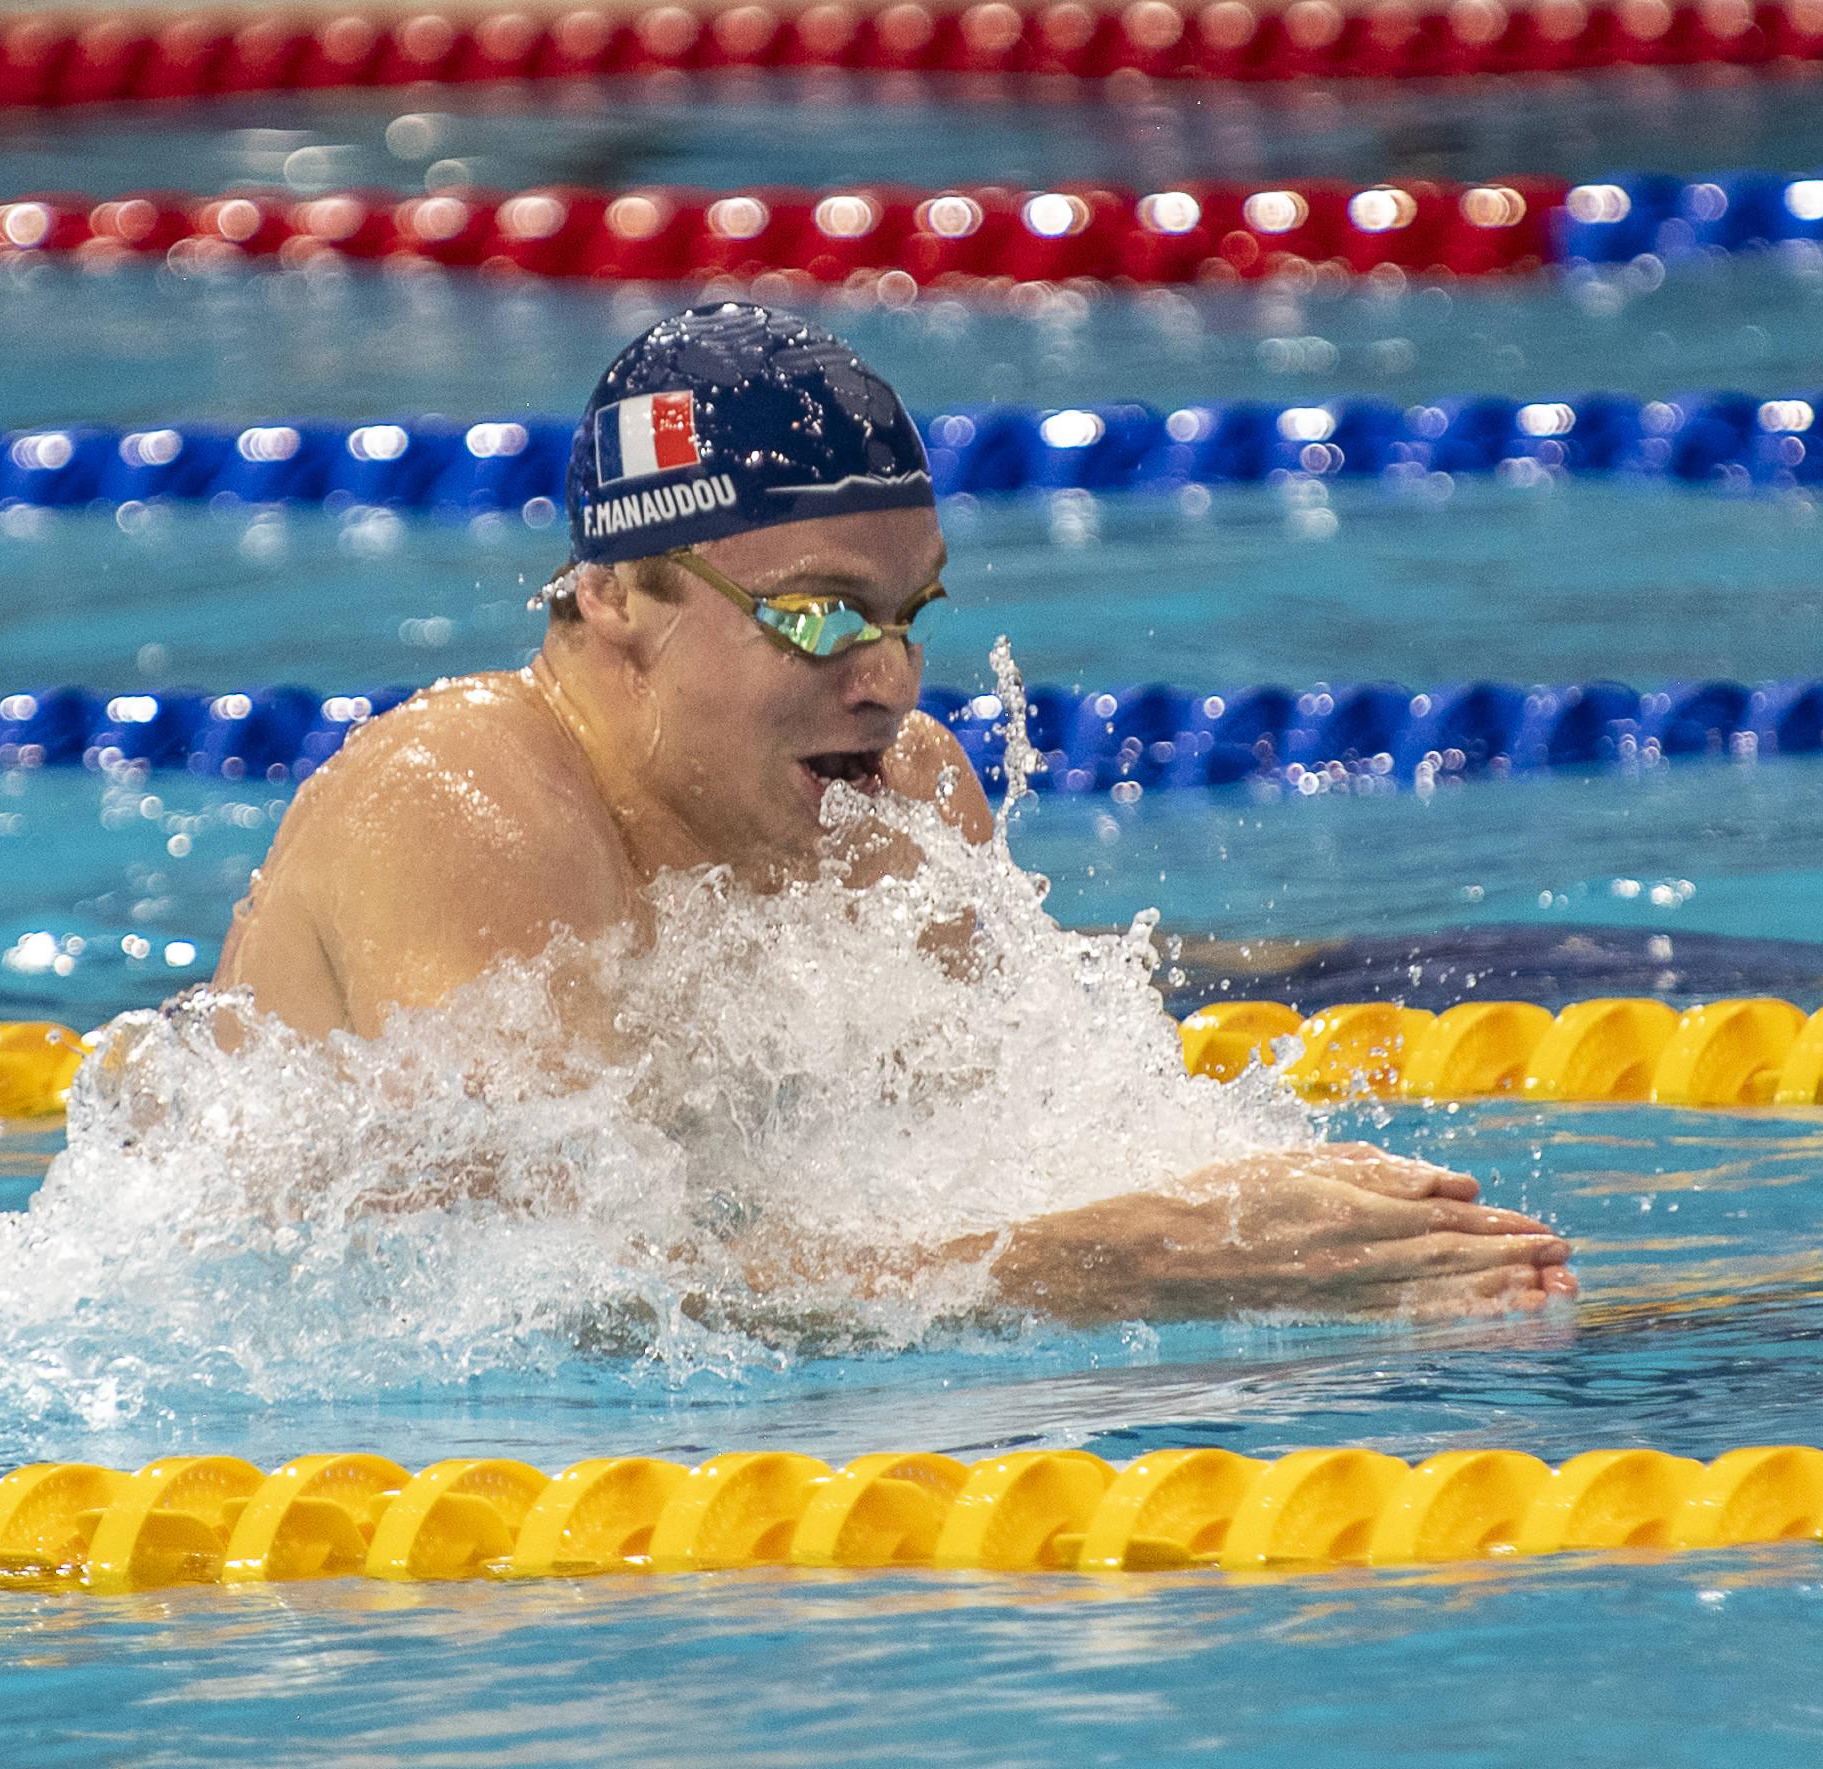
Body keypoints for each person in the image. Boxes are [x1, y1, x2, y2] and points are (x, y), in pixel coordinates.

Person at [214, 301, 1577, 1325]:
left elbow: (980, 1160)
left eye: (909, 611)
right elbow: (571, 1298)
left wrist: (1264, 1205)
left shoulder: (900, 800)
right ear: (619, 595)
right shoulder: (460, 803)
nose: (890, 681)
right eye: (815, 614)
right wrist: (1144, 1261)